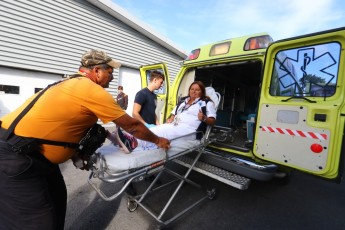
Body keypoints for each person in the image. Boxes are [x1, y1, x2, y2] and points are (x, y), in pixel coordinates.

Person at [0, 49, 170, 230]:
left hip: (32, 155)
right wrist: (158, 140)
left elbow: (64, 125)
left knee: (57, 199)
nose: (112, 78)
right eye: (110, 73)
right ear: (97, 71)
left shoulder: (68, 83)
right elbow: (132, 126)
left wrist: (75, 154)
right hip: (16, 157)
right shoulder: (90, 89)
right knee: (37, 222)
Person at [116, 81, 216, 152]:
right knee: (157, 129)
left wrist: (204, 118)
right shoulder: (183, 102)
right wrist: (171, 118)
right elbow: (173, 114)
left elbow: (212, 121)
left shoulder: (205, 103)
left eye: (197, 90)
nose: (193, 91)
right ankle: (129, 138)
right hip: (174, 125)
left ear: (202, 92)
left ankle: (133, 143)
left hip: (189, 130)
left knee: (162, 133)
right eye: (192, 89)